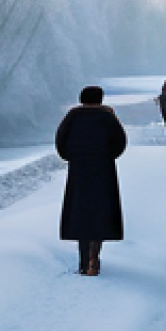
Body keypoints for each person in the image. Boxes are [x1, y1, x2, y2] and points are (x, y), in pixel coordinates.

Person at [55, 85, 127, 276]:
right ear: (100, 99)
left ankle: (83, 260)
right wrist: (107, 156)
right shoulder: (108, 117)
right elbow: (120, 142)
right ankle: (94, 256)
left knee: (81, 213)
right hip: (103, 169)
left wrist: (72, 156)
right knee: (100, 212)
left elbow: (61, 141)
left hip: (79, 170)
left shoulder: (72, 117)